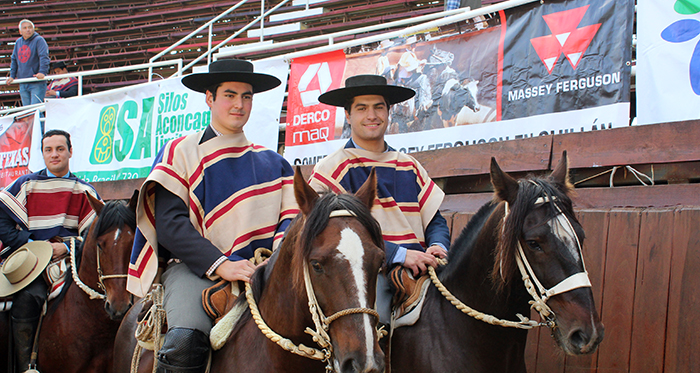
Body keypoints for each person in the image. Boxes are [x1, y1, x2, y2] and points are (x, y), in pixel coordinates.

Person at [126, 59, 298, 373]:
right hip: (196, 271)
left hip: (264, 271)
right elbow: (169, 225)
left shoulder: (275, 162)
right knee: (185, 340)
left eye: (246, 97)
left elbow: (291, 220)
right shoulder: (180, 151)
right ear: (209, 98)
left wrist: (272, 261)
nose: (239, 104)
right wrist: (223, 264)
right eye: (230, 95)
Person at [309, 74, 451, 323]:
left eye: (379, 107)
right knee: (376, 323)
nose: (372, 115)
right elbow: (328, 237)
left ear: (389, 111)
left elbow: (435, 220)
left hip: (424, 268)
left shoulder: (410, 165)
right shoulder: (332, 169)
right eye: (362, 108)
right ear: (348, 115)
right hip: (370, 273)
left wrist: (438, 246)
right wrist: (398, 254)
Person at [0, 129, 99, 372]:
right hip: (31, 260)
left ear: (70, 152)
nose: (54, 154)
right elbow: (2, 220)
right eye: (48, 150)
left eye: (60, 149)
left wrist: (66, 246)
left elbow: (95, 234)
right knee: (28, 297)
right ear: (43, 153)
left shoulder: (84, 190)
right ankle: (26, 366)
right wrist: (29, 244)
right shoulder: (26, 183)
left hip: (70, 259)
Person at [5, 19, 50, 106]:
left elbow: (44, 57)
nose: (28, 30)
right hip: (23, 81)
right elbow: (14, 59)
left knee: (36, 110)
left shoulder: (39, 40)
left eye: (30, 27)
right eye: (25, 28)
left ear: (33, 29)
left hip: (36, 81)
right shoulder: (18, 42)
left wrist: (42, 72)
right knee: (26, 111)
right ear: (20, 31)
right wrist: (12, 76)